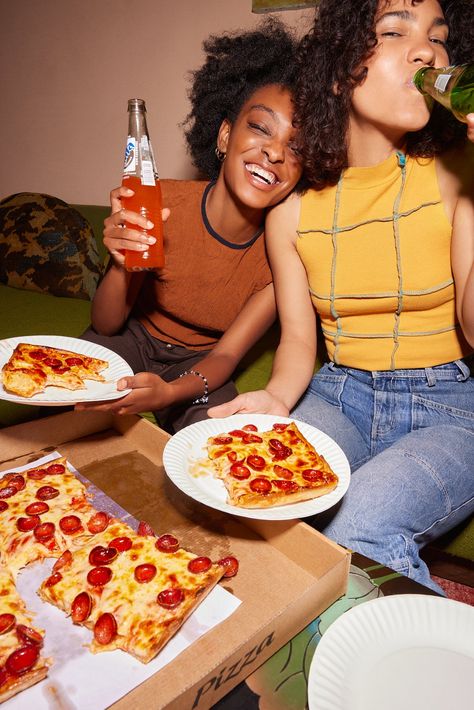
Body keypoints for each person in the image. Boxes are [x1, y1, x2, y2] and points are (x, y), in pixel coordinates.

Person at [209, 0, 474, 593]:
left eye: (438, 37)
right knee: (256, 503)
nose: (427, 50)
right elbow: (300, 337)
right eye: (393, 31)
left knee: (359, 529)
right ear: (337, 68)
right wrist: (277, 397)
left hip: (452, 407)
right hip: (341, 392)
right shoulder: (293, 213)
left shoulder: (460, 172)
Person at [76, 19, 304, 433]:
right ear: (224, 134)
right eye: (260, 128)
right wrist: (121, 262)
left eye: (296, 146)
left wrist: (168, 393)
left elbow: (226, 358)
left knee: (219, 443)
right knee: (67, 399)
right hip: (131, 337)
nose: (274, 152)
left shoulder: (282, 253)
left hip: (201, 364)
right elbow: (107, 324)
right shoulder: (158, 200)